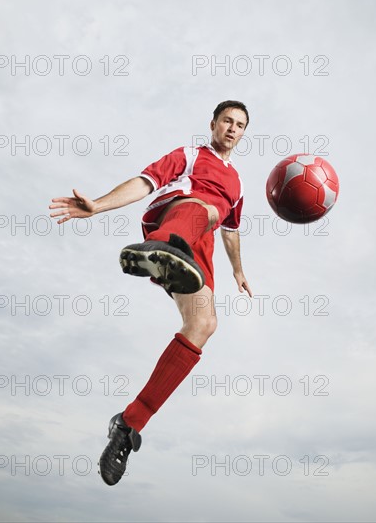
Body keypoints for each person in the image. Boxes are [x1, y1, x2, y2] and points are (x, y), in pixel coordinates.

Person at [49, 100, 253, 486]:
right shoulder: (190, 154)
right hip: (176, 216)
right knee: (204, 207)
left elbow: (230, 229)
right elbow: (146, 182)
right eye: (226, 120)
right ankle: (162, 248)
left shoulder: (239, 184)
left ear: (244, 133)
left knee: (204, 325)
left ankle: (128, 425)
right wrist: (98, 206)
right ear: (213, 124)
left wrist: (239, 271)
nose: (231, 128)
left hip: (200, 246)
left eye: (239, 124)